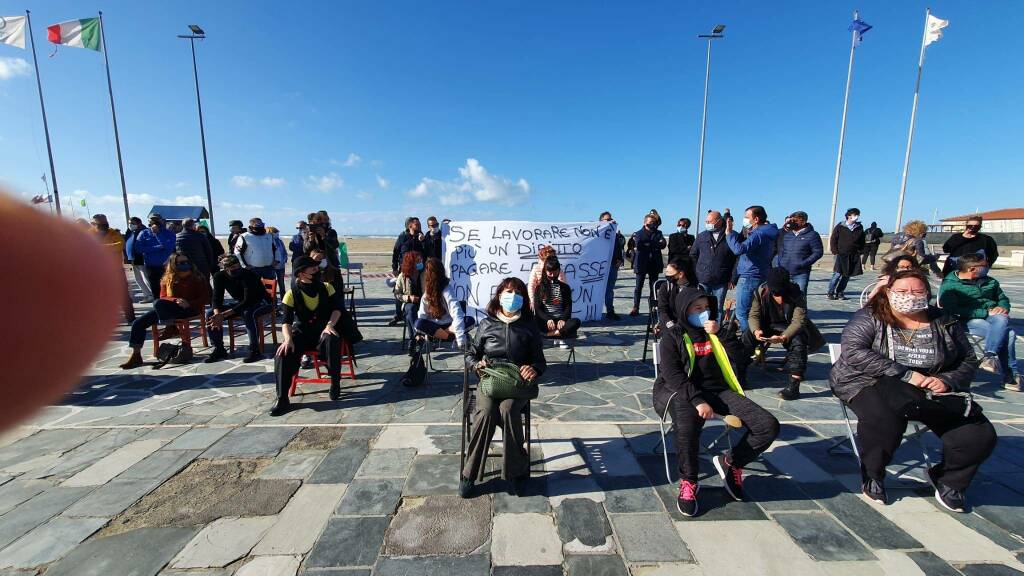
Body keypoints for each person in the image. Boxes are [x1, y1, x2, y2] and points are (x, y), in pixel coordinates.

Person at [830, 268, 997, 511]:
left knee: (978, 435)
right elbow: (854, 352)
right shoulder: (870, 316)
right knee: (884, 418)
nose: (909, 295)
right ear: (888, 293)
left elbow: (968, 359)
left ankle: (949, 479)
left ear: (927, 293)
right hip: (868, 380)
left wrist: (948, 380)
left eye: (917, 291)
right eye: (902, 291)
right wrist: (907, 374)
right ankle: (873, 474)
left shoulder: (944, 321)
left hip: (931, 386)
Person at [654, 287, 780, 517]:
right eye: (697, 308)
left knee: (767, 425)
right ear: (685, 310)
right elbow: (672, 374)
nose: (703, 312)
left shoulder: (717, 330)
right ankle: (689, 481)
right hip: (682, 392)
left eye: (706, 308)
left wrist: (721, 333)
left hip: (719, 391)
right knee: (687, 424)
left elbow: (743, 358)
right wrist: (698, 400)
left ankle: (731, 463)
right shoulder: (673, 335)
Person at [461, 277, 546, 498]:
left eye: (518, 293)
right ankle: (469, 474)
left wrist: (534, 369)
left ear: (523, 299)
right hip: (489, 382)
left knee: (508, 410)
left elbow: (540, 361)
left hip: (516, 384)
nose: (513, 296)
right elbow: (471, 354)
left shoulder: (529, 326)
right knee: (487, 412)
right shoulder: (487, 324)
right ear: (499, 295)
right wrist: (476, 364)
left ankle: (517, 472)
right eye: (508, 291)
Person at [272, 256, 348, 415]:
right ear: (301, 273)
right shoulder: (291, 294)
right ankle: (282, 398)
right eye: (312, 268)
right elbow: (286, 321)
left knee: (332, 339)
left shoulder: (327, 287)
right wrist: (288, 339)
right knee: (282, 354)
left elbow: (337, 309)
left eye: (316, 267)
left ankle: (335, 382)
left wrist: (329, 325)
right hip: (302, 333)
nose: (317, 270)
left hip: (323, 331)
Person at [940, 254, 1021, 391]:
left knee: (1002, 319)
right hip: (966, 320)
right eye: (984, 267)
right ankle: (1009, 374)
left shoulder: (990, 282)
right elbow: (951, 309)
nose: (987, 268)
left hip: (993, 317)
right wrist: (984, 313)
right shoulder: (950, 285)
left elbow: (1002, 298)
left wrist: (1003, 307)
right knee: (1010, 334)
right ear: (972, 269)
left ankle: (990, 355)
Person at [119, 252, 211, 369]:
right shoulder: (167, 279)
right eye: (181, 263)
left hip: (190, 309)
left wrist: (189, 303)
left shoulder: (197, 277)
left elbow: (205, 297)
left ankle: (170, 327)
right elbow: (163, 297)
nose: (185, 264)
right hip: (169, 309)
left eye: (187, 262)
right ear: (173, 265)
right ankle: (136, 355)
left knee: (158, 304)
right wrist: (175, 300)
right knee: (139, 322)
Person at [745, 268, 825, 401]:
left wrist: (784, 336)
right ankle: (740, 373)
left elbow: (799, 320)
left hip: (788, 326)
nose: (776, 293)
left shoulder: (796, 294)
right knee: (747, 337)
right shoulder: (761, 292)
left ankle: (794, 384)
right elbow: (754, 315)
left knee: (798, 342)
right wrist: (756, 330)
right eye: (773, 289)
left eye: (779, 290)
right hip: (767, 325)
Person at [204, 254, 274, 363]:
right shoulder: (219, 276)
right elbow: (217, 298)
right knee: (210, 314)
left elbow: (248, 301)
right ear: (226, 269)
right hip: (240, 303)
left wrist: (223, 315)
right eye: (232, 268)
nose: (236, 269)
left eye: (238, 266)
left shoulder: (249, 275)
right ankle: (219, 348)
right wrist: (217, 314)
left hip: (261, 302)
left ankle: (255, 350)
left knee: (248, 313)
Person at [726, 205, 779, 332]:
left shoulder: (758, 234)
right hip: (761, 274)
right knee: (754, 311)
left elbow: (738, 249)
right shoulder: (767, 232)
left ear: (755, 219)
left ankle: (750, 340)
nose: (744, 220)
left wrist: (729, 234)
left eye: (746, 217)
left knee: (742, 313)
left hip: (750, 276)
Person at [414, 257, 475, 349]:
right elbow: (422, 315)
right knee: (418, 323)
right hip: (435, 327)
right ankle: (449, 337)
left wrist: (460, 339)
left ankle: (444, 336)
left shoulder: (447, 289)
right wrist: (419, 334)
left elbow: (457, 312)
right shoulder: (427, 293)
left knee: (470, 320)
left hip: (450, 325)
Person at [690, 210, 736, 324]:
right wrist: (698, 272)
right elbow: (693, 254)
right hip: (703, 279)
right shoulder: (702, 236)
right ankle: (701, 329)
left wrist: (733, 278)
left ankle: (716, 331)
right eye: (706, 221)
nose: (707, 223)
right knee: (700, 306)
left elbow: (737, 258)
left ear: (719, 221)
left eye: (709, 221)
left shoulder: (731, 235)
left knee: (717, 307)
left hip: (721, 279)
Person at [533, 256, 581, 346]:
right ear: (545, 271)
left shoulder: (565, 287)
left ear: (559, 270)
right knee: (532, 320)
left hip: (559, 321)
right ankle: (560, 335)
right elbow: (538, 308)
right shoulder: (539, 287)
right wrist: (547, 319)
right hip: (546, 321)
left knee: (576, 322)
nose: (552, 275)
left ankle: (548, 335)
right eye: (549, 272)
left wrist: (563, 319)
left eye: (555, 272)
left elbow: (568, 306)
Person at [774, 211, 823, 296]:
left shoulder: (812, 235)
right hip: (785, 272)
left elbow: (818, 252)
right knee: (785, 297)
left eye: (794, 221)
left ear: (803, 221)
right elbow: (782, 250)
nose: (791, 223)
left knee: (800, 297)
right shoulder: (788, 235)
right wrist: (781, 262)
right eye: (790, 220)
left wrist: (803, 264)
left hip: (801, 273)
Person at [628, 213, 667, 316]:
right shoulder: (638, 233)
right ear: (645, 222)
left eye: (653, 222)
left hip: (654, 263)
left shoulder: (658, 233)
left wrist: (649, 244)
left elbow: (663, 245)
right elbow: (639, 245)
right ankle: (636, 307)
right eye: (650, 222)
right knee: (638, 287)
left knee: (653, 287)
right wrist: (654, 244)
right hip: (641, 263)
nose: (652, 224)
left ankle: (653, 308)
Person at [389, 217, 425, 325]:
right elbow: (395, 252)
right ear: (410, 226)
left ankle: (416, 312)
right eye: (417, 225)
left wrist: (423, 241)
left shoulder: (421, 237)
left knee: (417, 289)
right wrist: (394, 268)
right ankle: (398, 314)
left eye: (419, 225)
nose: (419, 227)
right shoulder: (403, 237)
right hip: (404, 269)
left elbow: (427, 251)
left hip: (419, 269)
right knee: (400, 290)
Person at [133, 213, 178, 297]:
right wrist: (157, 247)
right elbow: (138, 248)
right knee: (155, 290)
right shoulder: (144, 233)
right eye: (152, 220)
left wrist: (158, 234)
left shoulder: (168, 233)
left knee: (169, 289)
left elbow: (169, 247)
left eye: (157, 220)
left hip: (166, 266)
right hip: (151, 266)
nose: (155, 222)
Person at [827, 208, 865, 300]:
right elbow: (833, 239)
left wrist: (860, 251)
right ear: (849, 216)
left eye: (857, 215)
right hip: (840, 254)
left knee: (847, 275)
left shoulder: (859, 227)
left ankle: (840, 292)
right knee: (837, 274)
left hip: (853, 254)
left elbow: (862, 241)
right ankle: (830, 292)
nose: (856, 217)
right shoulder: (840, 226)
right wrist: (835, 251)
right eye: (854, 215)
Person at [393, 250, 424, 347]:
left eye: (421, 260)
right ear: (411, 262)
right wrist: (408, 298)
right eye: (418, 260)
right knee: (411, 309)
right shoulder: (403, 276)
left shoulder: (424, 273)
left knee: (409, 315)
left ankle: (413, 339)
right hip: (409, 303)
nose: (420, 262)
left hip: (424, 303)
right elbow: (397, 293)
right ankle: (417, 335)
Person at [656, 258, 697, 332]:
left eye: (669, 273)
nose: (667, 275)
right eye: (666, 272)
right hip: (670, 324)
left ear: (680, 274)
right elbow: (662, 310)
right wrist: (670, 325)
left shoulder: (695, 289)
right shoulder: (666, 287)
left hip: (690, 325)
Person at [600, 211, 626, 320]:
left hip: (612, 266)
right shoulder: (596, 234)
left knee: (609, 290)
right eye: (607, 219)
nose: (610, 221)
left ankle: (610, 311)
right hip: (599, 267)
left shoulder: (613, 234)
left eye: (611, 219)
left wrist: (619, 259)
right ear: (601, 221)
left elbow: (617, 248)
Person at [124, 216, 153, 303]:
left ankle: (153, 294)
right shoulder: (130, 232)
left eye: (132, 223)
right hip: (132, 257)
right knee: (138, 278)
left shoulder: (144, 231)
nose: (130, 225)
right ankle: (147, 295)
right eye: (129, 223)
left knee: (145, 277)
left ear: (138, 223)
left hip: (141, 257)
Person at [267, 226, 288, 301]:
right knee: (272, 284)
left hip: (281, 266)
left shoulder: (280, 241)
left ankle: (284, 299)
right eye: (275, 232)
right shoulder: (268, 241)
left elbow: (284, 251)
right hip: (272, 266)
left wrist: (285, 259)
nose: (277, 234)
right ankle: (273, 300)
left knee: (281, 283)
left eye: (277, 232)